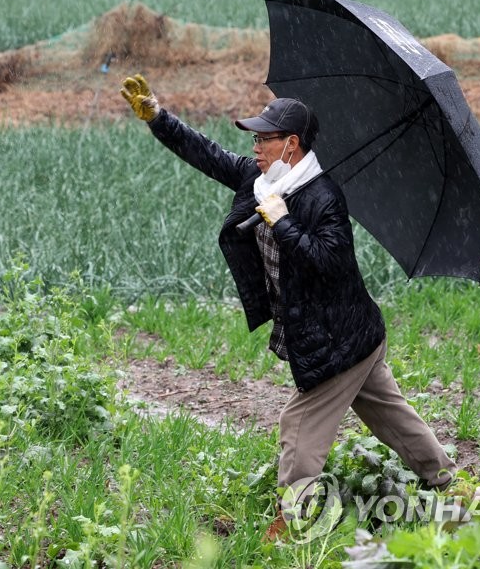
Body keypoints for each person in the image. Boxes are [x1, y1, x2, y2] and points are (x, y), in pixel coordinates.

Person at [120, 74, 457, 541]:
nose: (255, 146)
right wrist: (159, 118)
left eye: (264, 138)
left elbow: (330, 263)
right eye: (254, 139)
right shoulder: (262, 182)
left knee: (297, 425)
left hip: (339, 340)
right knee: (389, 414)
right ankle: (446, 481)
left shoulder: (323, 197)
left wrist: (282, 223)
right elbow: (209, 155)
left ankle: (297, 518)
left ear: (291, 144)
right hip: (357, 333)